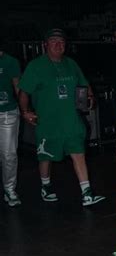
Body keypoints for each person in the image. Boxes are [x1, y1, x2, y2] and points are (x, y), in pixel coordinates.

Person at [18, 28, 105, 207]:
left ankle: (87, 193)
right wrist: (25, 111)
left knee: (78, 153)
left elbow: (84, 84)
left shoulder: (71, 64)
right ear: (46, 45)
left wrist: (90, 98)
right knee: (45, 156)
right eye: (54, 42)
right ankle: (45, 186)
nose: (58, 45)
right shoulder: (36, 66)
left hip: (71, 120)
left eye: (62, 42)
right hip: (48, 122)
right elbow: (24, 91)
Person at [0, 40, 22, 207]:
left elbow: (17, 88)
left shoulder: (10, 62)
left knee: (9, 155)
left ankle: (9, 189)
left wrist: (26, 109)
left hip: (7, 113)